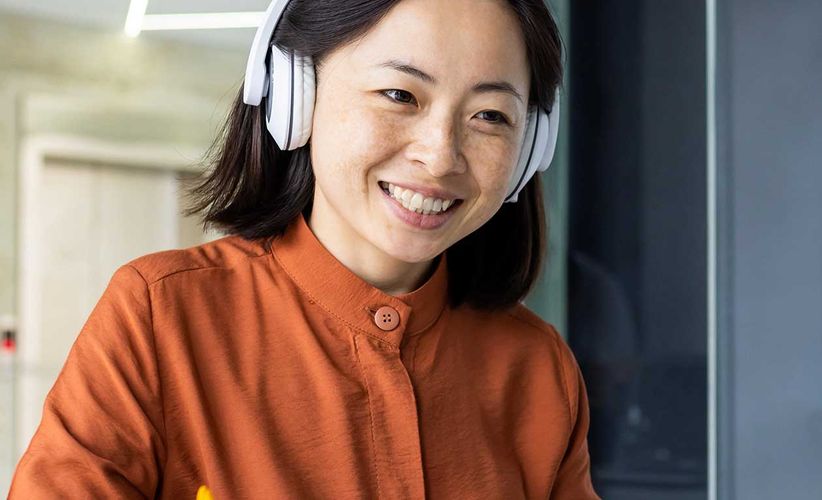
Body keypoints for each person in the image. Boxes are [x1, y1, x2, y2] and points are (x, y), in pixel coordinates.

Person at [8, 0, 598, 497]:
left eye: (490, 115)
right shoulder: (160, 315)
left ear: (530, 149)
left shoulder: (538, 368)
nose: (440, 156)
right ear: (296, 92)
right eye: (400, 94)